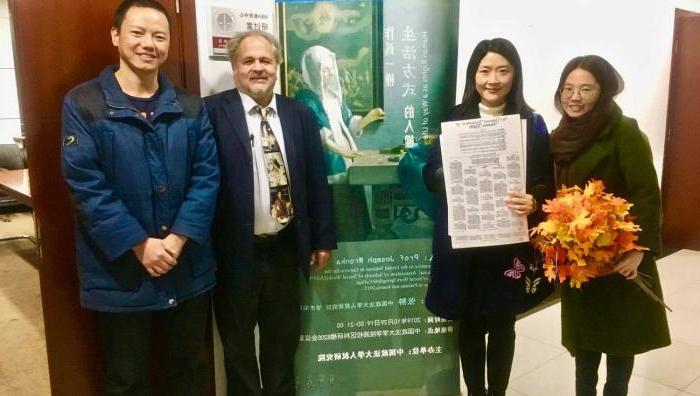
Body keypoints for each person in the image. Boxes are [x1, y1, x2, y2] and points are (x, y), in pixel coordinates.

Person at [60, 0, 220, 394]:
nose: (149, 43)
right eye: (137, 32)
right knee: (126, 380)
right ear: (116, 36)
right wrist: (139, 244)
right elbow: (86, 185)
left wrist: (176, 239)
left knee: (188, 376)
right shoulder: (84, 103)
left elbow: (207, 177)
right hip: (120, 276)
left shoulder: (189, 106)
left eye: (159, 35)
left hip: (187, 269)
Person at [204, 30, 337, 396]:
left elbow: (316, 179)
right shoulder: (211, 113)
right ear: (234, 68)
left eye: (266, 60)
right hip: (233, 253)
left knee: (282, 343)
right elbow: (200, 184)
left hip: (284, 248)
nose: (258, 68)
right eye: (248, 61)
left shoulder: (299, 114)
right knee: (238, 347)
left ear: (276, 66)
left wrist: (323, 237)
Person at [423, 38, 554, 396]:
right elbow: (430, 173)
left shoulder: (532, 122)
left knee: (502, 322)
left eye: (502, 70)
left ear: (515, 75)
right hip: (464, 240)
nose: (492, 79)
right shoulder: (454, 117)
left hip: (508, 240)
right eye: (484, 71)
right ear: (473, 75)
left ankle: (497, 392)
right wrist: (449, 172)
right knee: (468, 321)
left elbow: (547, 182)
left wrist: (535, 200)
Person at [550, 55, 671, 396]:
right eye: (568, 88)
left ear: (602, 92)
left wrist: (637, 253)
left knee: (621, 342)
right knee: (584, 345)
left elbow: (647, 193)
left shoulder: (623, 130)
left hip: (620, 259)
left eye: (586, 88)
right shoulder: (560, 135)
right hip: (579, 261)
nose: (574, 97)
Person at [295, 45, 384, 183]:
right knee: (333, 198)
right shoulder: (306, 99)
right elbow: (317, 137)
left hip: (346, 154)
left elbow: (349, 122)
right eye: (325, 70)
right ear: (314, 72)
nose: (331, 73)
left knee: (351, 197)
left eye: (331, 68)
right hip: (328, 159)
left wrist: (369, 118)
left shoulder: (333, 95)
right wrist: (345, 152)